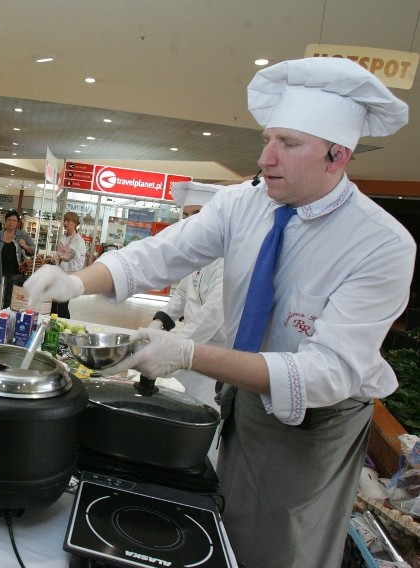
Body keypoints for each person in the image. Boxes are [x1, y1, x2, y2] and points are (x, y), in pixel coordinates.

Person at [23, 58, 415, 567]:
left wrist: (186, 352)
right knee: (221, 524)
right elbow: (159, 255)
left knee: (277, 546)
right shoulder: (244, 204)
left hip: (316, 423)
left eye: (288, 144)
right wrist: (74, 280)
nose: (266, 157)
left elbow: (327, 373)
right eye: (268, 138)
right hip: (244, 398)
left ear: (337, 155)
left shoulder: (380, 244)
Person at [147, 181, 227, 409]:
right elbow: (183, 292)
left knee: (203, 408)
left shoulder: (228, 256)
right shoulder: (199, 252)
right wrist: (158, 322)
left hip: (217, 349)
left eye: (197, 213)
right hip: (193, 341)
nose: (191, 220)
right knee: (180, 401)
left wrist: (178, 346)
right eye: (186, 214)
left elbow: (214, 311)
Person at [0, 209, 35, 316]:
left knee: (10, 302)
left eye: (14, 220)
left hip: (16, 275)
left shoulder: (22, 235)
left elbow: (34, 250)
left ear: (17, 223)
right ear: (5, 221)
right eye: (9, 219)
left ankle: (6, 325)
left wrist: (25, 245)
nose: (11, 222)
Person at [51, 211, 87, 319]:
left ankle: (64, 327)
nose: (66, 223)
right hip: (58, 275)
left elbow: (79, 263)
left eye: (69, 221)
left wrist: (63, 262)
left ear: (75, 223)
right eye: (65, 220)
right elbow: (59, 255)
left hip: (69, 277)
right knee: (53, 303)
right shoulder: (63, 237)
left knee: (62, 304)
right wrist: (54, 259)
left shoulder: (79, 241)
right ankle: (52, 323)